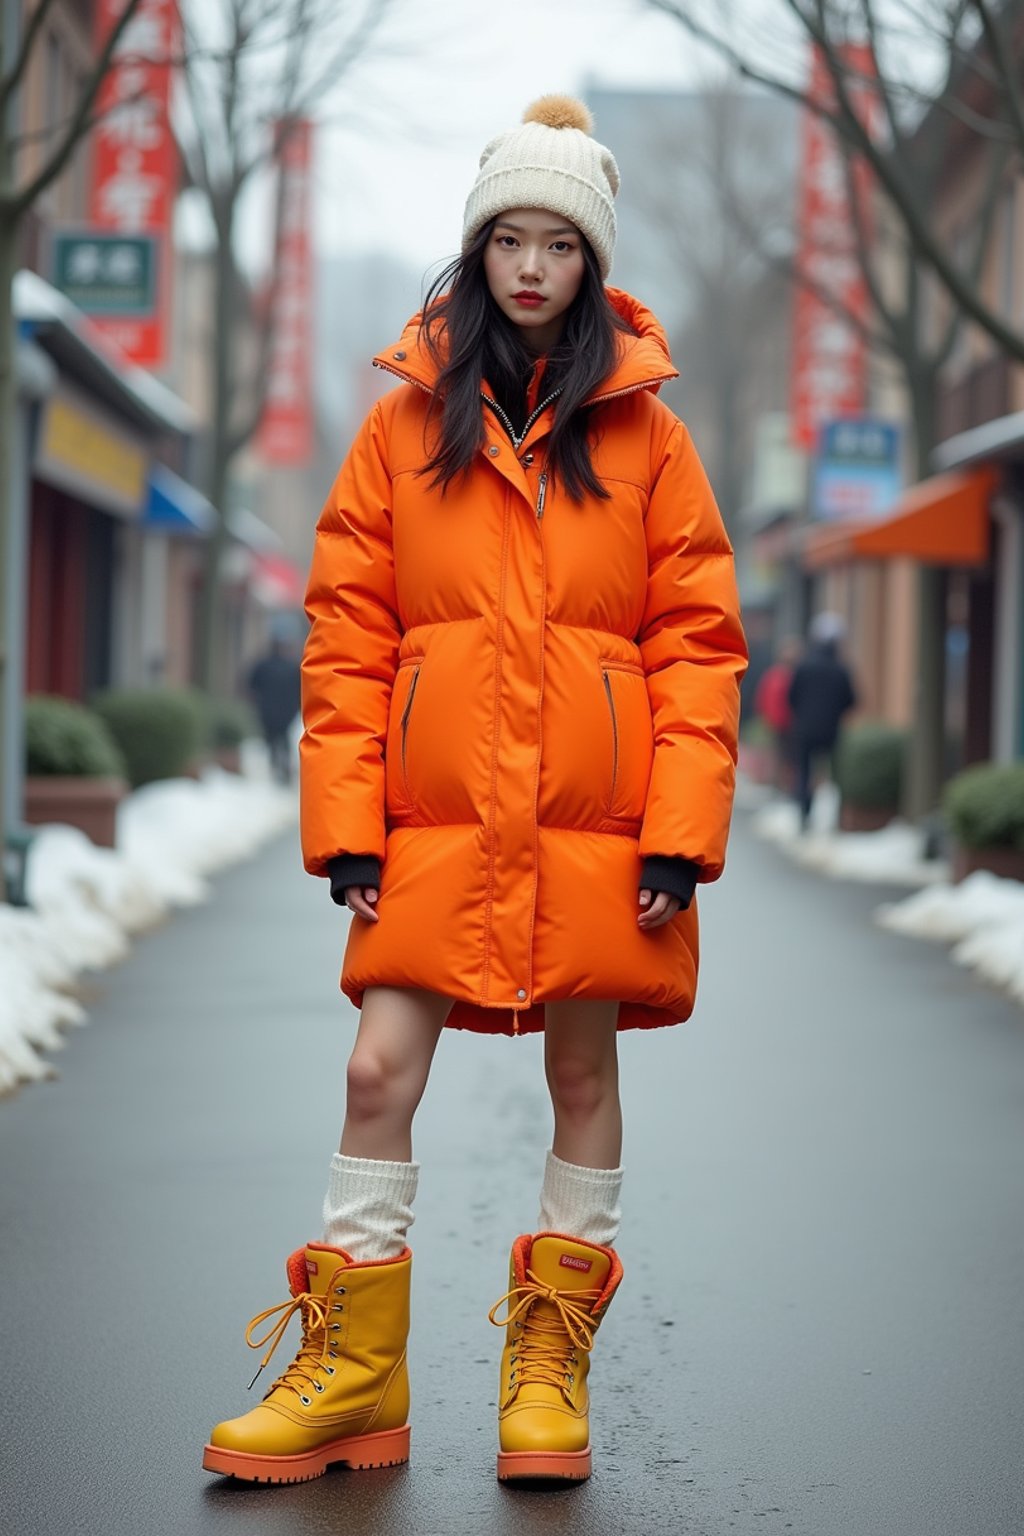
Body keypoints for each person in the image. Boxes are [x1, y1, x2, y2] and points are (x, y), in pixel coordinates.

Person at [203, 95, 747, 1488]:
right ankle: (355, 1379)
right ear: (474, 249)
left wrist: (681, 834)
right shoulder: (398, 430)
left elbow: (695, 644)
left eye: (556, 242)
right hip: (435, 822)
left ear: (591, 262)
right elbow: (347, 635)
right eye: (505, 236)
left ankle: (548, 1373)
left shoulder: (650, 441)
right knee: (377, 1067)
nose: (527, 266)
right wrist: (345, 821)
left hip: (597, 824)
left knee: (580, 1067)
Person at [788, 612, 856, 828]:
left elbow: (791, 696)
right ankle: (837, 819)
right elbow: (851, 700)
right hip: (831, 730)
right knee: (836, 774)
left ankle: (804, 815)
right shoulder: (841, 670)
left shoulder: (804, 666)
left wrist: (803, 714)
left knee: (805, 772)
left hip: (805, 728)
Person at [246, 637, 301, 785]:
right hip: (287, 712)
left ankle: (275, 768)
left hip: (268, 711)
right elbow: (301, 687)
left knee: (271, 740)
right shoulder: (292, 666)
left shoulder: (263, 665)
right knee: (284, 740)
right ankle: (284, 770)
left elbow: (251, 686)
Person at [755, 636, 801, 790]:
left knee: (787, 754)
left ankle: (784, 783)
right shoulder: (777, 675)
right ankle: (779, 782)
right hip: (778, 721)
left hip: (787, 722)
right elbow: (763, 696)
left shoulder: (791, 676)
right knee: (780, 753)